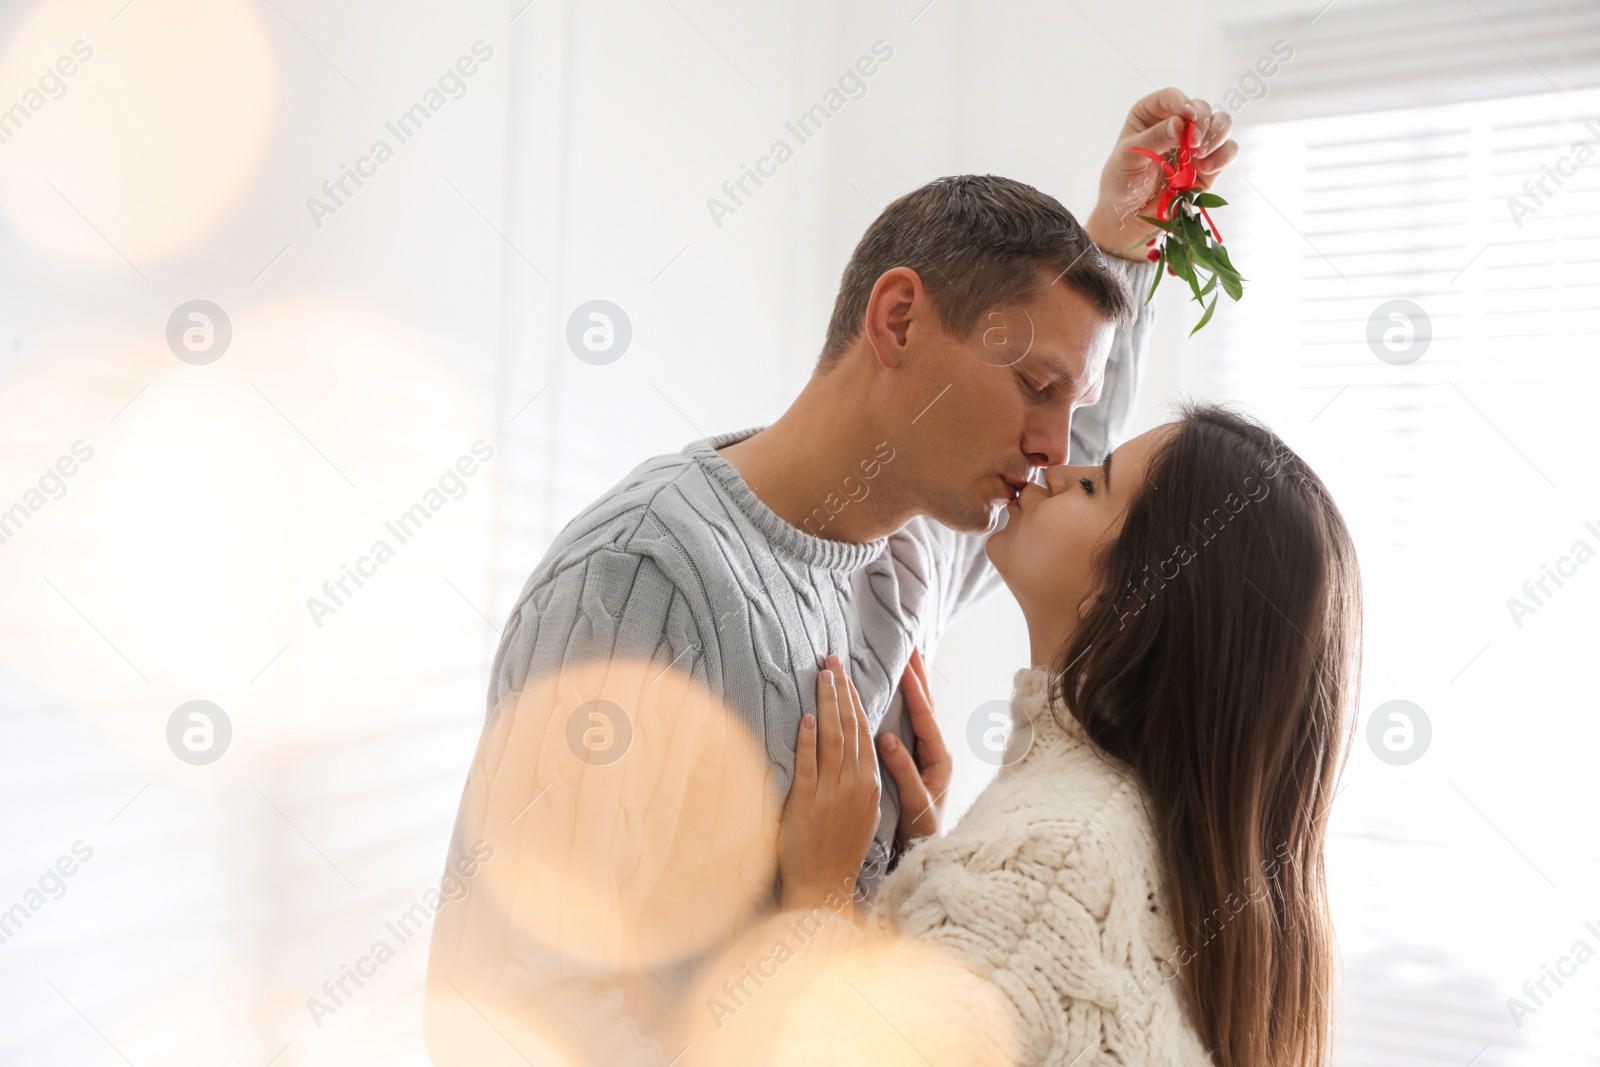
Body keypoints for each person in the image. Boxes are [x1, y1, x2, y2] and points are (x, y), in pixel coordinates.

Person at [424, 89, 1240, 1067]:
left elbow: (1087, 491)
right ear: (897, 318)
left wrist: (1118, 237)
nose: (1052, 446)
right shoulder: (645, 584)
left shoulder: (910, 547)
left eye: (1074, 399)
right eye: (1035, 386)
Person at [765, 404, 1364, 1067]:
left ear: (1133, 600)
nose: (1053, 468)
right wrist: (935, 875)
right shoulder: (1127, 847)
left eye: (1094, 484)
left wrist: (815, 900)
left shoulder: (1050, 867)